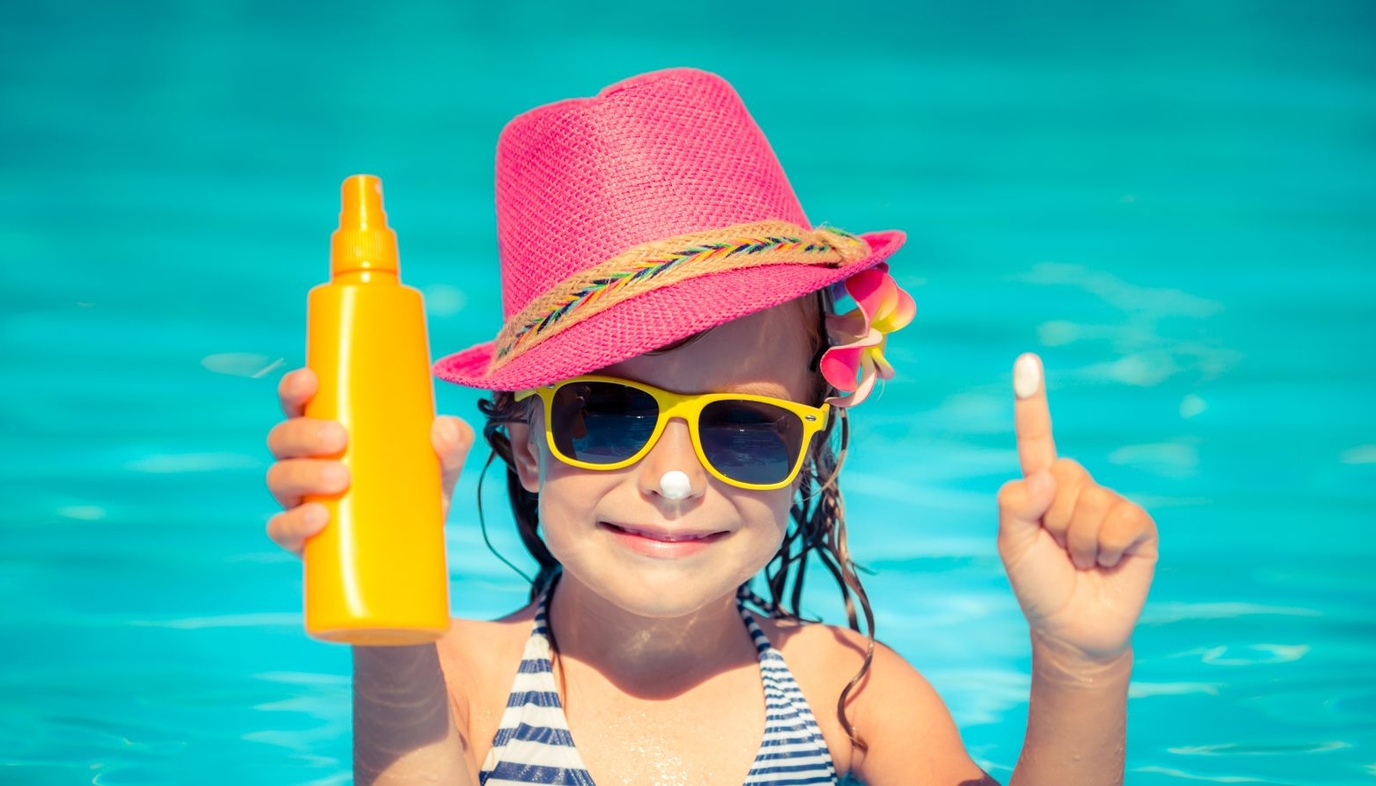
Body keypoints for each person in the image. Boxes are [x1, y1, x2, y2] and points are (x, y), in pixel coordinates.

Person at [265, 68, 1158, 785]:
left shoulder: (851, 691)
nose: (677, 480)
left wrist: (1081, 662)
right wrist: (385, 596)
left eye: (746, 428)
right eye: (609, 414)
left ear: (810, 451)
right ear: (526, 443)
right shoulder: (457, 673)